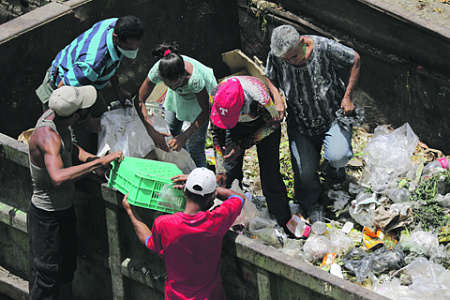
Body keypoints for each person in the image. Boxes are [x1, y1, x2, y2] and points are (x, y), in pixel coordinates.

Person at [27, 85, 124, 300]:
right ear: (76, 115)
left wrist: (93, 160)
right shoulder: (47, 135)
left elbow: (69, 148)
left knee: (65, 272)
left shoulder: (60, 119)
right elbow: (59, 177)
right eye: (85, 110)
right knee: (46, 277)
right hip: (47, 218)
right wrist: (100, 161)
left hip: (65, 212)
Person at [265, 24, 361, 223]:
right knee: (304, 172)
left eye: (293, 57)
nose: (290, 62)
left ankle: (335, 175)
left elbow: (355, 59)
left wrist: (348, 96)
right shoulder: (277, 55)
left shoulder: (324, 47)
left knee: (338, 156)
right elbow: (270, 75)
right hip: (300, 123)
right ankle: (312, 203)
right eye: (286, 59)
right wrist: (277, 96)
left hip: (332, 117)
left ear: (302, 42)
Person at [122, 167, 244, 299]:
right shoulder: (216, 221)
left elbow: (147, 241)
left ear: (185, 191)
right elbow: (238, 197)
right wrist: (211, 190)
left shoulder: (164, 223)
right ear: (212, 197)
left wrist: (130, 211)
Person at [35, 15, 144, 153]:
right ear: (116, 38)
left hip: (86, 85)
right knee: (73, 146)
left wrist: (118, 89)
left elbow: (112, 60)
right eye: (129, 48)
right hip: (64, 92)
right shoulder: (92, 64)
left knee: (107, 123)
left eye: (137, 47)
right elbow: (64, 91)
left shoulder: (114, 24)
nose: (134, 51)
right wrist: (87, 119)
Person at [209, 76, 291, 233]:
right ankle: (231, 218)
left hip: (264, 125)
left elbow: (273, 124)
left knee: (270, 174)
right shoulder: (215, 97)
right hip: (234, 127)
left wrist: (241, 145)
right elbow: (216, 132)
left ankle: (283, 220)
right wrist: (220, 169)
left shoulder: (261, 100)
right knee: (229, 173)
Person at [134, 43, 218, 167]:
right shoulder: (158, 71)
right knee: (171, 132)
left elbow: (205, 111)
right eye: (168, 84)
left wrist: (185, 135)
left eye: (176, 83)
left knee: (195, 145)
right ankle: (186, 167)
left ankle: (201, 180)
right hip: (179, 95)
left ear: (184, 75)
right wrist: (151, 131)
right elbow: (139, 100)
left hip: (200, 97)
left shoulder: (194, 79)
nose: (172, 87)